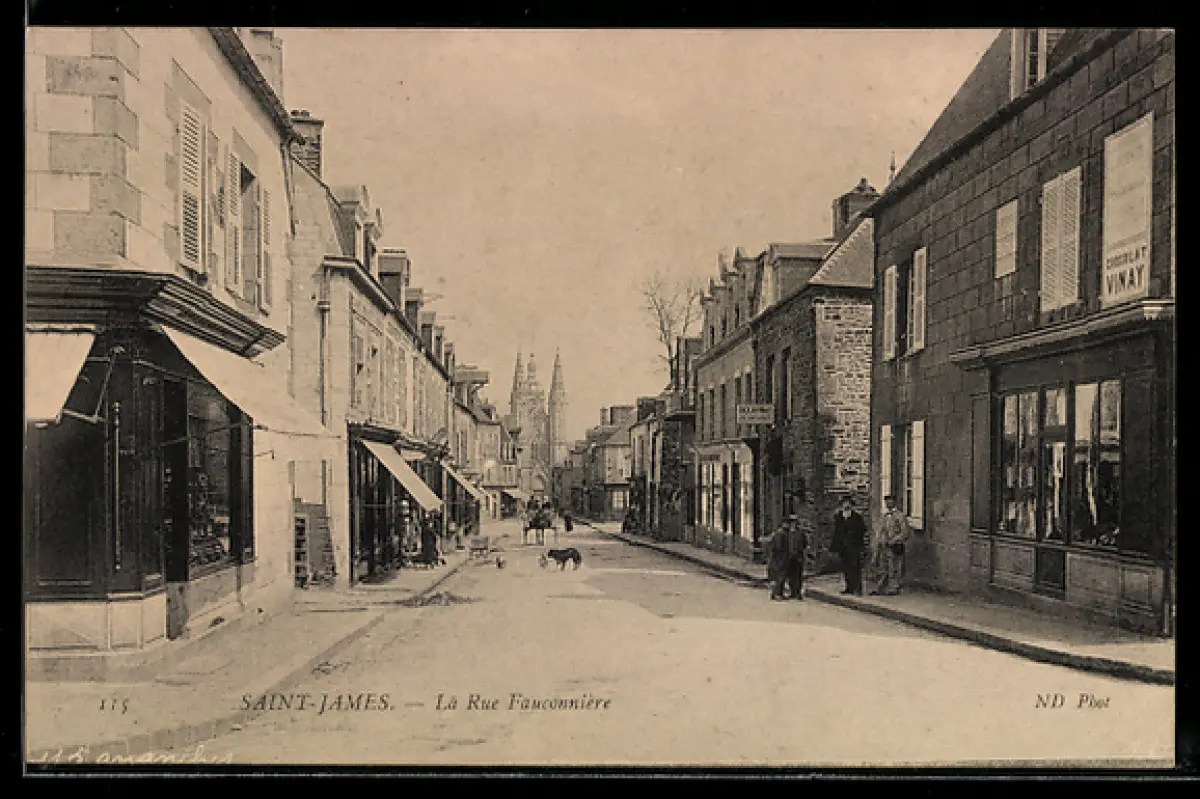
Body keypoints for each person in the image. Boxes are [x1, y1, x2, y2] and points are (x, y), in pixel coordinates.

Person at [872, 495, 910, 595]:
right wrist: (880, 541)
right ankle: (881, 588)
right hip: (885, 546)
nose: (888, 503)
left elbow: (905, 532)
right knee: (883, 568)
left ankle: (894, 588)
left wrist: (894, 540)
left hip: (895, 546)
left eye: (890, 501)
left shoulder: (900, 516)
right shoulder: (884, 516)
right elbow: (881, 530)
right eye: (886, 501)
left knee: (895, 567)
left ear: (894, 502)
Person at [831, 496, 869, 595]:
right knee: (845, 567)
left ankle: (858, 588)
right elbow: (836, 532)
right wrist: (835, 546)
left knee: (855, 567)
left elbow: (862, 531)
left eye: (848, 503)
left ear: (851, 505)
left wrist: (859, 544)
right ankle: (849, 587)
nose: (846, 505)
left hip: (854, 546)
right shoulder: (839, 517)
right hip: (843, 547)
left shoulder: (857, 517)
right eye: (844, 503)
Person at [767, 517, 793, 601]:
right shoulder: (780, 534)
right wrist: (781, 558)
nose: (788, 526)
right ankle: (777, 594)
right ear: (783, 524)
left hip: (781, 558)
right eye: (787, 524)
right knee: (780, 577)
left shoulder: (783, 533)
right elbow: (778, 547)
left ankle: (777, 593)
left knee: (780, 576)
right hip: (780, 558)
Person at [784, 515, 808, 601]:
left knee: (798, 575)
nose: (793, 524)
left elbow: (805, 543)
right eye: (791, 522)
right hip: (789, 556)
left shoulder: (800, 533)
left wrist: (801, 551)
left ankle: (798, 593)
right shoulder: (786, 533)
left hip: (798, 556)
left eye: (794, 522)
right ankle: (793, 592)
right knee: (790, 575)